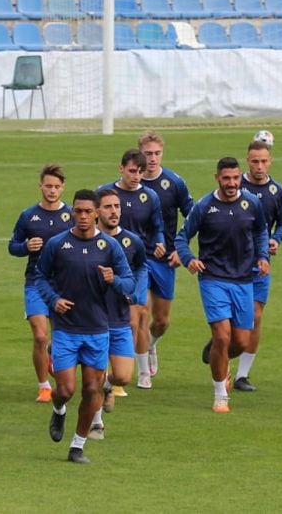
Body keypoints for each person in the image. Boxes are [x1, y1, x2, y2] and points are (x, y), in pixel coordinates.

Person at [36, 189, 134, 464]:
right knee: (66, 389)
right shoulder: (57, 244)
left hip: (97, 331)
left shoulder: (110, 247)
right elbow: (40, 277)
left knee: (92, 389)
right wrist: (53, 300)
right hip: (66, 330)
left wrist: (114, 279)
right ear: (72, 213)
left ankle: (77, 445)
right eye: (77, 211)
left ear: (97, 214)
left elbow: (129, 284)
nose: (82, 216)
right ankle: (58, 409)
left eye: (87, 212)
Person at [175, 158, 269, 414]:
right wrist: (189, 259)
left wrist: (263, 256)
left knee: (240, 341)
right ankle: (220, 396)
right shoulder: (205, 207)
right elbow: (182, 238)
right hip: (213, 278)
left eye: (235, 178)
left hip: (244, 280)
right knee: (223, 335)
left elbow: (261, 231)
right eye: (226, 178)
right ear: (217, 177)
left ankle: (217, 351)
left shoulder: (252, 204)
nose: (231, 183)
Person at [97, 148, 166, 389]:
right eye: (133, 171)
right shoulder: (106, 194)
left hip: (138, 262)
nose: (137, 176)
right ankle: (107, 370)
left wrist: (160, 242)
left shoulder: (150, 197)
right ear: (121, 169)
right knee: (120, 321)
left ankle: (143, 370)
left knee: (139, 317)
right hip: (108, 265)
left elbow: (157, 226)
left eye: (141, 172)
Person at [8, 164, 71, 402]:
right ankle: (44, 385)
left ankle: (55, 357)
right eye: (48, 186)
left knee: (61, 336)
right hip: (35, 282)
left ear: (62, 188)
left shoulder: (72, 215)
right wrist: (25, 247)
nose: (52, 191)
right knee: (40, 336)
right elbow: (12, 246)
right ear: (40, 186)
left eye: (56, 187)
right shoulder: (28, 216)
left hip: (64, 285)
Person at [92, 188, 149, 439]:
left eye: (116, 206)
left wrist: (136, 293)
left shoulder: (131, 241)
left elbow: (141, 267)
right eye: (108, 207)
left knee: (123, 377)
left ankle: (106, 386)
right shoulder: (87, 241)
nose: (114, 211)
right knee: (94, 373)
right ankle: (96, 424)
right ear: (97, 212)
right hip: (92, 318)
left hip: (119, 316)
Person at [233, 140, 282, 392]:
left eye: (264, 161)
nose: (259, 166)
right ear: (247, 161)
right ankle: (221, 356)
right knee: (231, 320)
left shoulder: (277, 191)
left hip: (260, 264)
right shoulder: (235, 186)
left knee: (255, 316)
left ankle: (242, 375)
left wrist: (276, 240)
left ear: (270, 161)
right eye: (255, 161)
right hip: (232, 264)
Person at [138, 131, 194, 383]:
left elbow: (194, 217)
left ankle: (151, 344)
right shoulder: (130, 182)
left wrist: (181, 252)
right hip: (136, 260)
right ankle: (140, 372)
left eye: (156, 153)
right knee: (140, 313)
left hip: (164, 258)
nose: (152, 158)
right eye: (147, 153)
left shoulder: (174, 183)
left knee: (161, 321)